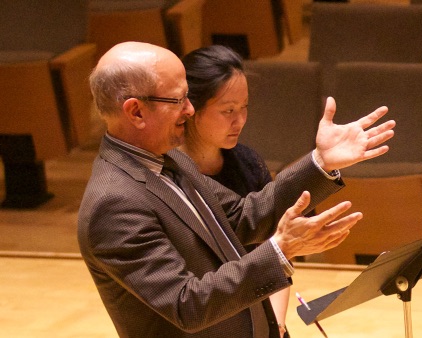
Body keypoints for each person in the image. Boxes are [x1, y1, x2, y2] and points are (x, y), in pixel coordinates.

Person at [78, 41, 395, 337]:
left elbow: (244, 216)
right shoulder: (114, 204)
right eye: (178, 100)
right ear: (135, 112)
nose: (190, 110)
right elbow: (188, 304)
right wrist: (279, 253)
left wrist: (320, 162)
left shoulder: (171, 159)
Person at [177, 45, 290, 337]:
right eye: (228, 110)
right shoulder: (167, 176)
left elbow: (275, 250)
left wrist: (274, 325)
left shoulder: (248, 163)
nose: (239, 120)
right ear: (191, 109)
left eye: (244, 108)